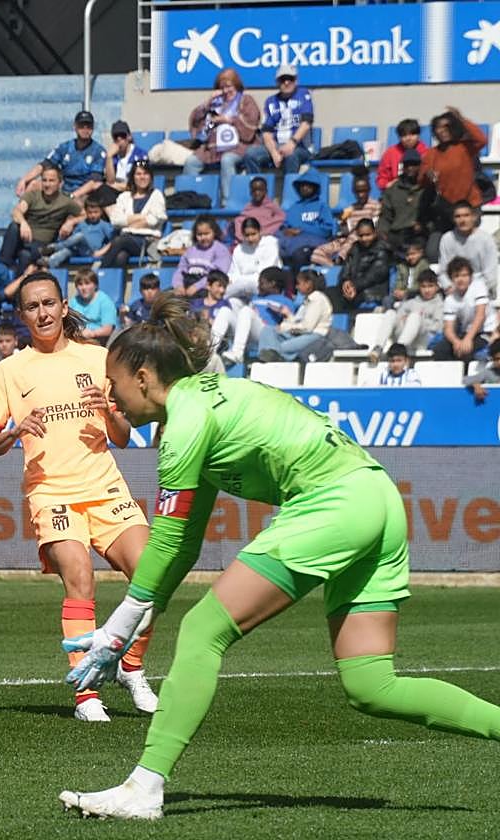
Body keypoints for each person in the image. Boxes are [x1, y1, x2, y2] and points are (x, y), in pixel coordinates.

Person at [58, 293, 500, 822]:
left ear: (145, 375)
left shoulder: (185, 423)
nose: (110, 394)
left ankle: (144, 788)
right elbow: (185, 541)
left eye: (114, 381)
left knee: (204, 631)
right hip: (377, 498)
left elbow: (172, 540)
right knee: (371, 685)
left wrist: (119, 626)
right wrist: (130, 622)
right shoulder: (208, 400)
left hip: (332, 503)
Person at [0, 271, 157, 723]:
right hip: (52, 491)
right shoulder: (11, 370)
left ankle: (131, 668)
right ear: (22, 316)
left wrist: (107, 411)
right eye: (33, 307)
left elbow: (121, 436)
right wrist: (14, 430)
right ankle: (85, 694)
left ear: (62, 307)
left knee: (152, 573)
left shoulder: (98, 358)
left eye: (49, 304)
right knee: (79, 575)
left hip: (104, 486)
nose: (42, 313)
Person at [180, 68, 262, 204]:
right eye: (222, 87)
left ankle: (228, 201)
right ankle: (187, 200)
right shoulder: (216, 103)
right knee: (191, 162)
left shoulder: (245, 100)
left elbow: (252, 122)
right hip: (214, 147)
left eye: (229, 86)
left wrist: (229, 120)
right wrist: (208, 102)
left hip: (239, 146)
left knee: (227, 160)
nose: (225, 91)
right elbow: (196, 121)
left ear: (236, 85)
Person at [0, 165, 84, 271]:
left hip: (41, 244)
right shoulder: (33, 196)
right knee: (13, 227)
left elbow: (84, 215)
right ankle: (3, 265)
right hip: (25, 237)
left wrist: (71, 222)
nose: (47, 184)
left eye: (51, 181)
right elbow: (16, 211)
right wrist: (23, 223)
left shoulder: (66, 201)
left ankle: (21, 283)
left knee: (24, 255)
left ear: (60, 183)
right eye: (44, 180)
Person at [419, 107, 488, 236]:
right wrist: (428, 175)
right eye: (439, 128)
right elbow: (421, 180)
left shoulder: (465, 147)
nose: (443, 131)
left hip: (470, 204)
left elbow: (482, 140)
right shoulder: (431, 154)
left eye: (447, 127)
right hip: (446, 208)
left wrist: (461, 119)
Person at [15, 111, 107, 203]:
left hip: (83, 192)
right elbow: (44, 165)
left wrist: (72, 196)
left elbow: (94, 182)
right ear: (75, 126)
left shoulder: (98, 151)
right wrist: (24, 180)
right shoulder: (65, 147)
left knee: (76, 203)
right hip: (63, 188)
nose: (85, 129)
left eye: (88, 126)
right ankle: (20, 213)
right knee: (33, 185)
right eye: (81, 126)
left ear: (93, 128)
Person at [243, 64, 314, 176]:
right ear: (277, 82)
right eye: (282, 79)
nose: (286, 82)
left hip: (299, 147)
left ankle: (289, 191)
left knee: (291, 155)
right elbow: (266, 132)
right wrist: (273, 152)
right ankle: (258, 187)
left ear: (296, 81)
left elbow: (306, 124)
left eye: (290, 79)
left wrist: (291, 144)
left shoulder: (304, 95)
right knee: (250, 154)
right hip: (277, 145)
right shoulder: (271, 101)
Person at [221, 266, 296, 366]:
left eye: (261, 283)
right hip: (246, 333)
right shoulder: (255, 297)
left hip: (265, 334)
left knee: (246, 310)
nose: (258, 286)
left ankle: (237, 354)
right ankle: (210, 352)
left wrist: (281, 312)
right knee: (225, 311)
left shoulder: (285, 301)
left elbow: (290, 323)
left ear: (272, 284)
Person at [255, 268, 332, 362]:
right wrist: (287, 314)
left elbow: (307, 327)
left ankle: (274, 357)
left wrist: (285, 327)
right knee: (268, 329)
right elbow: (298, 321)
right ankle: (266, 355)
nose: (296, 287)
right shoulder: (306, 301)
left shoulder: (317, 299)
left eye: (298, 283)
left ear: (308, 284)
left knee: (281, 347)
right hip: (299, 334)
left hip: (314, 336)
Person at [101, 162, 165, 269]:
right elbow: (115, 220)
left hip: (147, 240)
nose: (142, 177)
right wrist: (140, 217)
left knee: (120, 240)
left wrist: (127, 224)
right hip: (128, 240)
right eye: (138, 174)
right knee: (120, 257)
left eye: (145, 174)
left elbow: (155, 219)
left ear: (150, 177)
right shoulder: (124, 197)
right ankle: (110, 284)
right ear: (133, 177)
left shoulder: (156, 195)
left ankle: (98, 274)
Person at [371, 269, 442, 363]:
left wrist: (419, 320)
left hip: (422, 340)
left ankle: (398, 351)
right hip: (403, 335)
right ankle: (378, 347)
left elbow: (438, 328)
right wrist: (405, 320)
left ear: (437, 287)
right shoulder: (411, 302)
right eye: (423, 287)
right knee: (391, 313)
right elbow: (398, 317)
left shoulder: (439, 305)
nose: (427, 290)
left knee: (415, 316)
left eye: (430, 286)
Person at [432, 256, 495, 362]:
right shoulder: (450, 299)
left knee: (466, 352)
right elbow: (448, 328)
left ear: (470, 277)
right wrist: (456, 342)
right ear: (451, 278)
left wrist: (468, 339)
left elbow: (480, 316)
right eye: (456, 276)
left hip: (486, 332)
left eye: (464, 275)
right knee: (440, 350)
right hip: (465, 333)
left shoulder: (478, 287)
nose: (460, 279)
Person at [277, 170, 337, 280]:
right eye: (302, 185)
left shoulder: (322, 206)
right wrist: (286, 231)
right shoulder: (293, 208)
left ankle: (297, 289)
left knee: (299, 255)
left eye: (308, 185)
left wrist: (302, 230)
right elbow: (283, 227)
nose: (305, 188)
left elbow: (327, 230)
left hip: (313, 244)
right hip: (292, 243)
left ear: (315, 187)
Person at [311, 175, 381, 267]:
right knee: (316, 253)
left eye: (364, 191)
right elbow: (344, 230)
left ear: (369, 190)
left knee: (353, 237)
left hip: (359, 241)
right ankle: (336, 268)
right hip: (345, 240)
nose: (361, 195)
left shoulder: (376, 206)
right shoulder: (351, 208)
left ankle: (340, 259)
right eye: (358, 192)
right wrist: (342, 223)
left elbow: (373, 227)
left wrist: (355, 229)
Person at [332, 218, 391, 313]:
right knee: (329, 294)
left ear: (375, 232)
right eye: (361, 235)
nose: (364, 239)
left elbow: (374, 276)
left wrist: (354, 286)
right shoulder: (355, 248)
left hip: (371, 290)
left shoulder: (382, 249)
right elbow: (346, 268)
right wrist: (345, 282)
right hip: (353, 287)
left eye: (368, 235)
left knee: (343, 300)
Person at [437, 202, 497, 294]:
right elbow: (443, 271)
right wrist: (450, 287)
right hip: (454, 290)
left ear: (474, 217)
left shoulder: (486, 240)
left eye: (466, 215)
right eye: (458, 216)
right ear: (453, 219)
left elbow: (490, 275)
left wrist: (472, 293)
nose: (462, 220)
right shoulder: (447, 239)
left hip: (481, 291)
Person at [378, 149, 425, 253]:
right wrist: (382, 232)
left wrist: (424, 226)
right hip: (396, 234)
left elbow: (433, 214)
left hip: (418, 235)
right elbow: (385, 216)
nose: (410, 168)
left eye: (414, 164)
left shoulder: (426, 189)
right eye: (407, 165)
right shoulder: (393, 190)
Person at [46, 195, 112, 268]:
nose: (93, 215)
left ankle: (55, 247)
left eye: (96, 212)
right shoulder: (82, 224)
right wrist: (64, 236)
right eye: (90, 212)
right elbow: (72, 240)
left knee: (80, 236)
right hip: (77, 250)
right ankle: (50, 263)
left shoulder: (104, 225)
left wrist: (101, 252)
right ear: (86, 211)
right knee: (64, 252)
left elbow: (113, 241)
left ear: (101, 212)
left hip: (91, 251)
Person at [172, 216, 230, 297]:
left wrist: (196, 287)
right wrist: (179, 286)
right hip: (187, 281)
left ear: (214, 232)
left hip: (207, 285)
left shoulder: (221, 250)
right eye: (199, 234)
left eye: (206, 234)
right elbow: (180, 270)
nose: (203, 237)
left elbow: (218, 275)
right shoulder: (190, 251)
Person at [227, 217, 280, 303]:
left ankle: (217, 300)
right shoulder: (239, 250)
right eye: (247, 235)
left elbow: (265, 274)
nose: (250, 238)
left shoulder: (270, 244)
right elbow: (233, 273)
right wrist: (237, 280)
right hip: (240, 290)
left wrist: (241, 281)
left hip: (264, 287)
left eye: (253, 234)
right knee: (232, 302)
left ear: (260, 231)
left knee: (241, 286)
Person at [68, 268, 118, 345]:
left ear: (95, 285)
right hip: (77, 339)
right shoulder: (73, 302)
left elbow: (107, 329)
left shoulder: (105, 301)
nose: (84, 288)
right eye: (80, 284)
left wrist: (91, 333)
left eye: (87, 283)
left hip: (100, 340)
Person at [376, 119, 427, 191]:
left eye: (412, 134)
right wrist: (388, 184)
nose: (408, 138)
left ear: (418, 135)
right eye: (404, 135)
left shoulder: (426, 153)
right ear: (399, 137)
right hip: (396, 191)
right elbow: (381, 178)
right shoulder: (390, 153)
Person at [230, 176, 285, 243]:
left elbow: (280, 219)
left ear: (266, 191)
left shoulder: (272, 206)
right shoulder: (248, 207)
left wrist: (263, 233)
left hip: (266, 240)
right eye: (254, 190)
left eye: (260, 190)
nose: (257, 193)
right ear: (250, 192)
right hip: (248, 239)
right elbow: (241, 220)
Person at [103, 121, 149, 195]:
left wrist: (121, 186)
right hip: (114, 193)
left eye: (122, 136)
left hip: (133, 192)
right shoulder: (112, 157)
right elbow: (110, 181)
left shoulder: (140, 156)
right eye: (116, 136)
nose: (119, 139)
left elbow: (142, 182)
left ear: (129, 137)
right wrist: (109, 157)